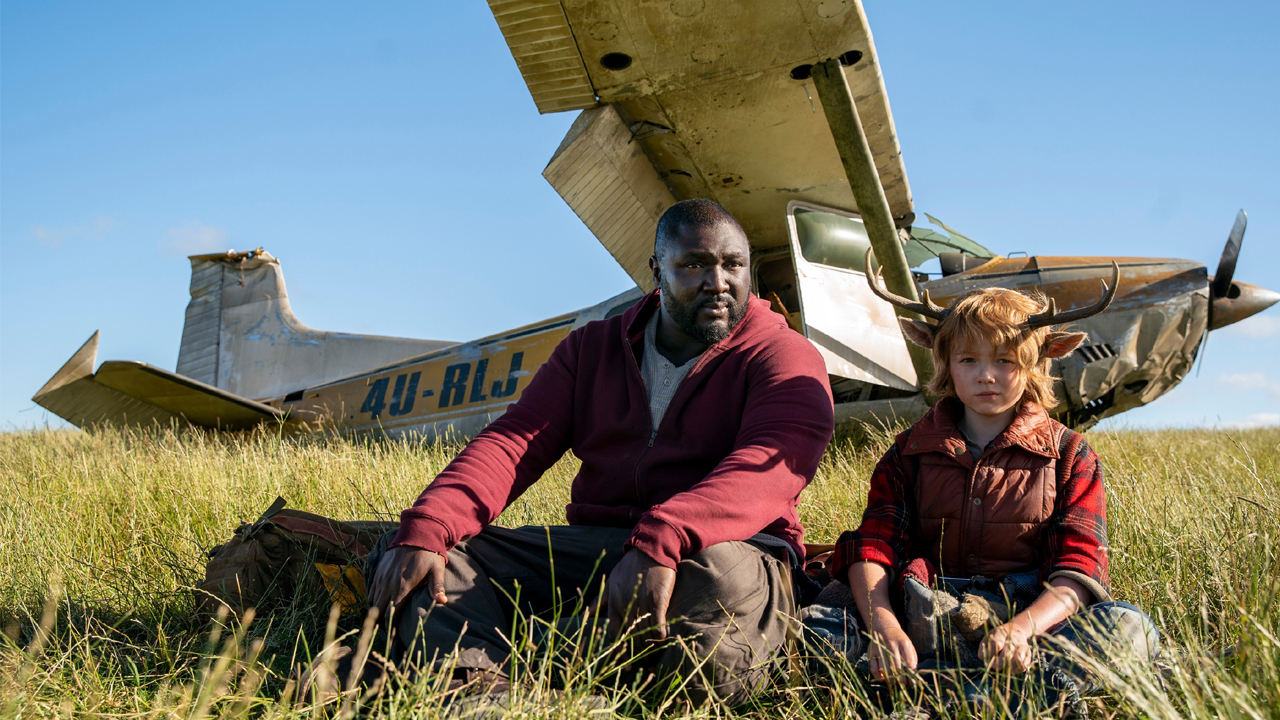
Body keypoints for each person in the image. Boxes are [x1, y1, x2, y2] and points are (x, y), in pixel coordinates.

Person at [365, 198, 835, 705]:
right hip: (605, 547)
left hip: (725, 553)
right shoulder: (591, 348)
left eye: (733, 265)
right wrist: (432, 525)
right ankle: (491, 691)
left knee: (720, 583)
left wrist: (663, 538)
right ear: (657, 271)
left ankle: (496, 656)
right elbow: (514, 441)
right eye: (695, 264)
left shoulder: (784, 354)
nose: (717, 282)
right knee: (427, 554)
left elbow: (770, 465)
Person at [815, 259, 1157, 713]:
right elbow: (876, 546)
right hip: (924, 617)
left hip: (1027, 628)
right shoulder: (908, 452)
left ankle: (932, 694)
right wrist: (886, 629)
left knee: (1127, 626)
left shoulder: (1071, 455)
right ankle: (1002, 698)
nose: (986, 375)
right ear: (945, 361)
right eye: (969, 360)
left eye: (1005, 360)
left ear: (1036, 362)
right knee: (817, 625)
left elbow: (1079, 568)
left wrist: (1021, 629)